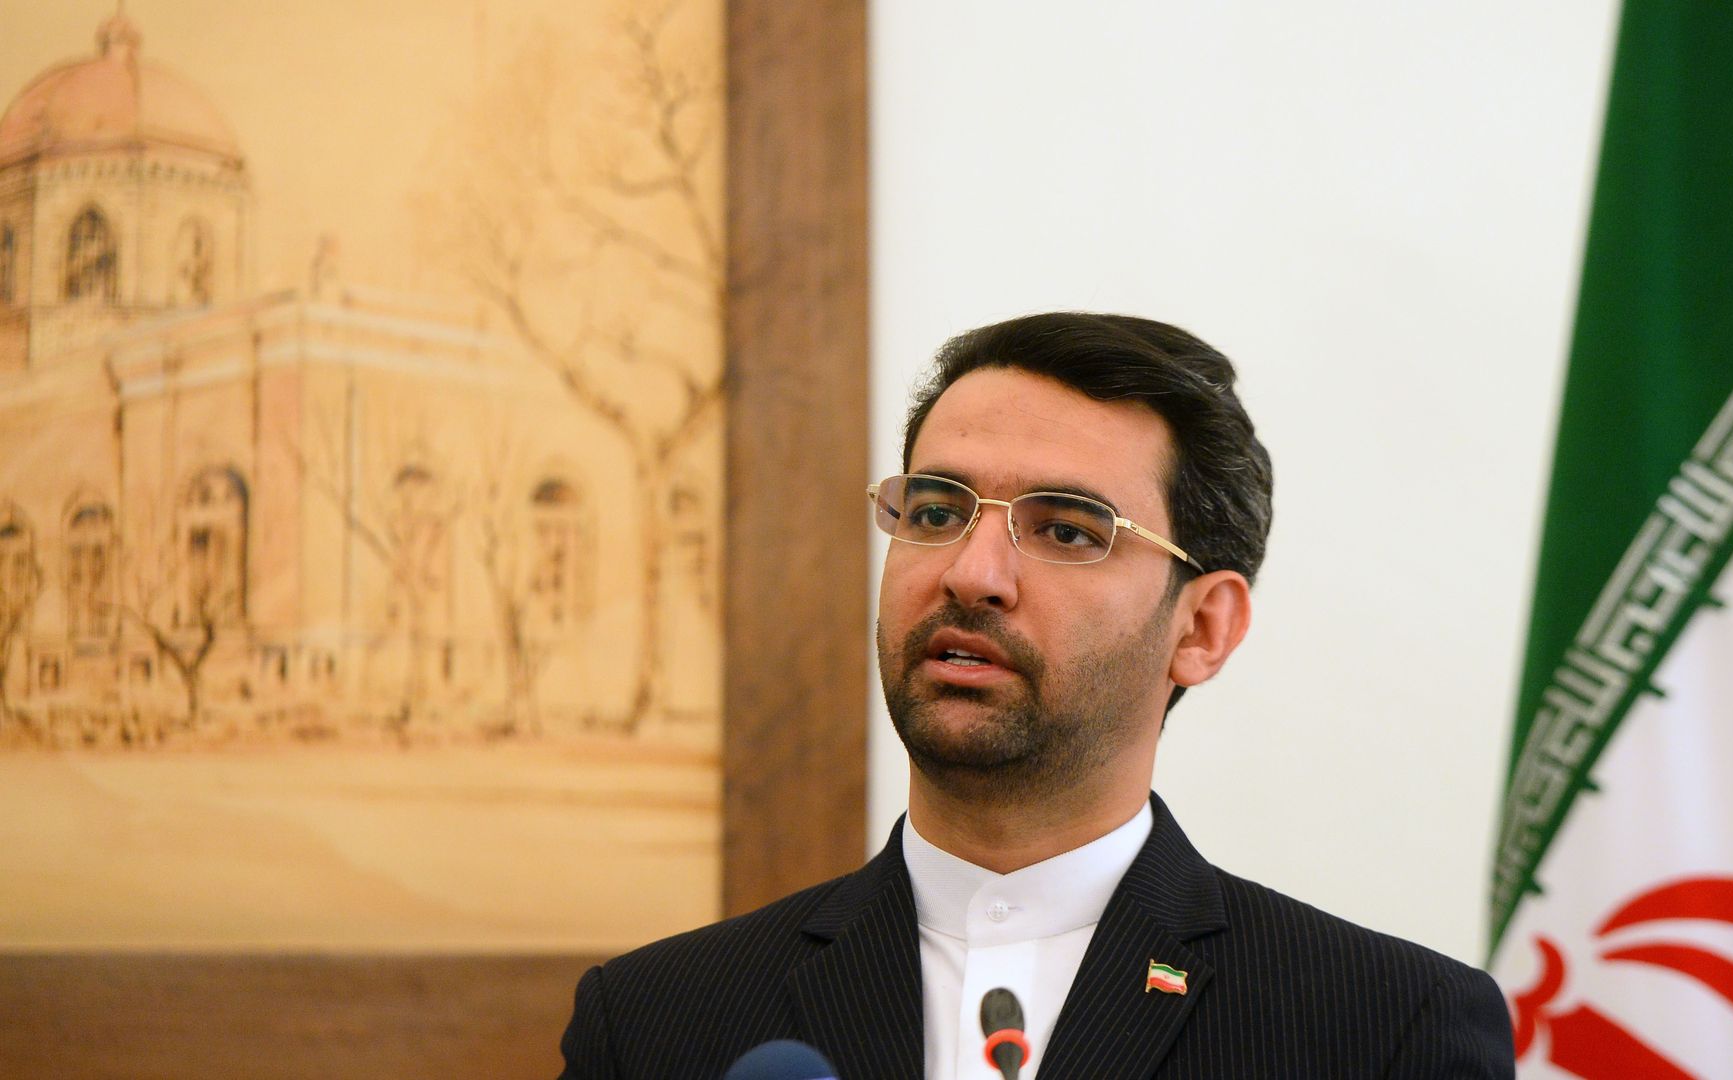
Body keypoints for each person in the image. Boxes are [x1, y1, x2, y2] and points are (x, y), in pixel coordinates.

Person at [558, 313, 1515, 1079]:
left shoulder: (1386, 1031)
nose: (974, 574)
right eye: (935, 512)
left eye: (1066, 531)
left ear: (1203, 629)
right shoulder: (654, 1025)